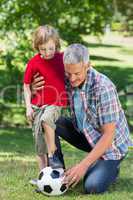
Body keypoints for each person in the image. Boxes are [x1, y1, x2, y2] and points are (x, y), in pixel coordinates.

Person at [31, 43, 132, 194]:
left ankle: (111, 168)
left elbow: (108, 135)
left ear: (87, 65)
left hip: (111, 146)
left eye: (77, 73)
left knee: (92, 186)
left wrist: (82, 166)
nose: (72, 79)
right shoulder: (68, 75)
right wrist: (33, 89)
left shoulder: (103, 88)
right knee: (46, 120)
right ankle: (56, 171)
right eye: (68, 73)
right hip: (86, 134)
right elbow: (43, 97)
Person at [23, 25, 67, 181]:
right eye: (43, 49)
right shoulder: (34, 62)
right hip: (37, 106)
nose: (47, 53)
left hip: (55, 103)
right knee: (39, 146)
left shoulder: (62, 58)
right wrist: (28, 107)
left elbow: (78, 66)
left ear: (56, 44)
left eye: (51, 48)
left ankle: (53, 157)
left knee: (46, 119)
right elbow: (26, 85)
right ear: (37, 47)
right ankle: (43, 178)